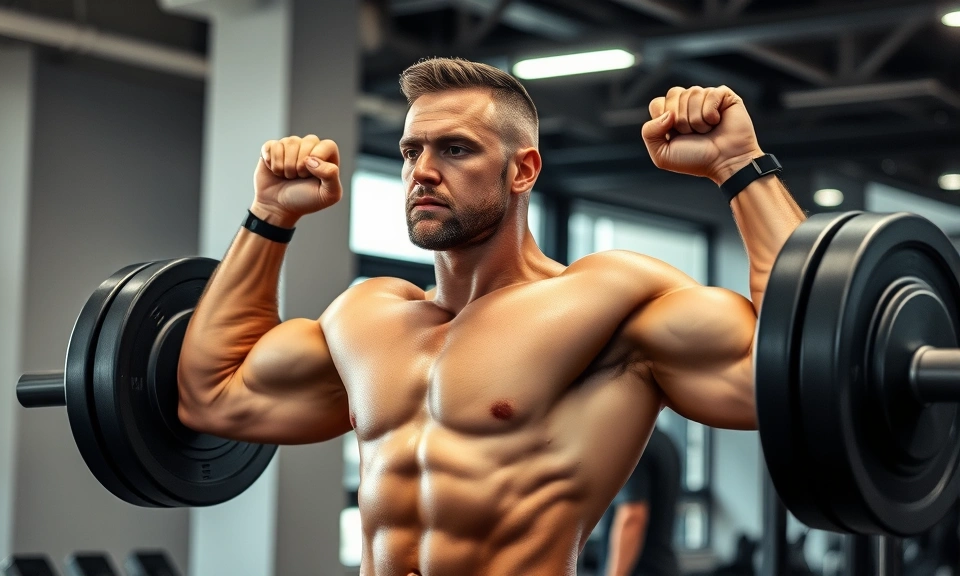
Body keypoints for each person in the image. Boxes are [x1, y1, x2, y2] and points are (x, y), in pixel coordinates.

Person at [176, 57, 806, 575]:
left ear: (523, 170)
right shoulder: (367, 318)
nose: (423, 172)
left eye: (455, 149)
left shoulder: (609, 303)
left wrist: (739, 165)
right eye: (411, 151)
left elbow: (795, 368)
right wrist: (270, 215)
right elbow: (213, 396)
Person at [602, 427, 682, 576]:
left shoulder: (634, 444)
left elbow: (632, 516)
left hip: (640, 570)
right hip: (664, 566)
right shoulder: (665, 441)